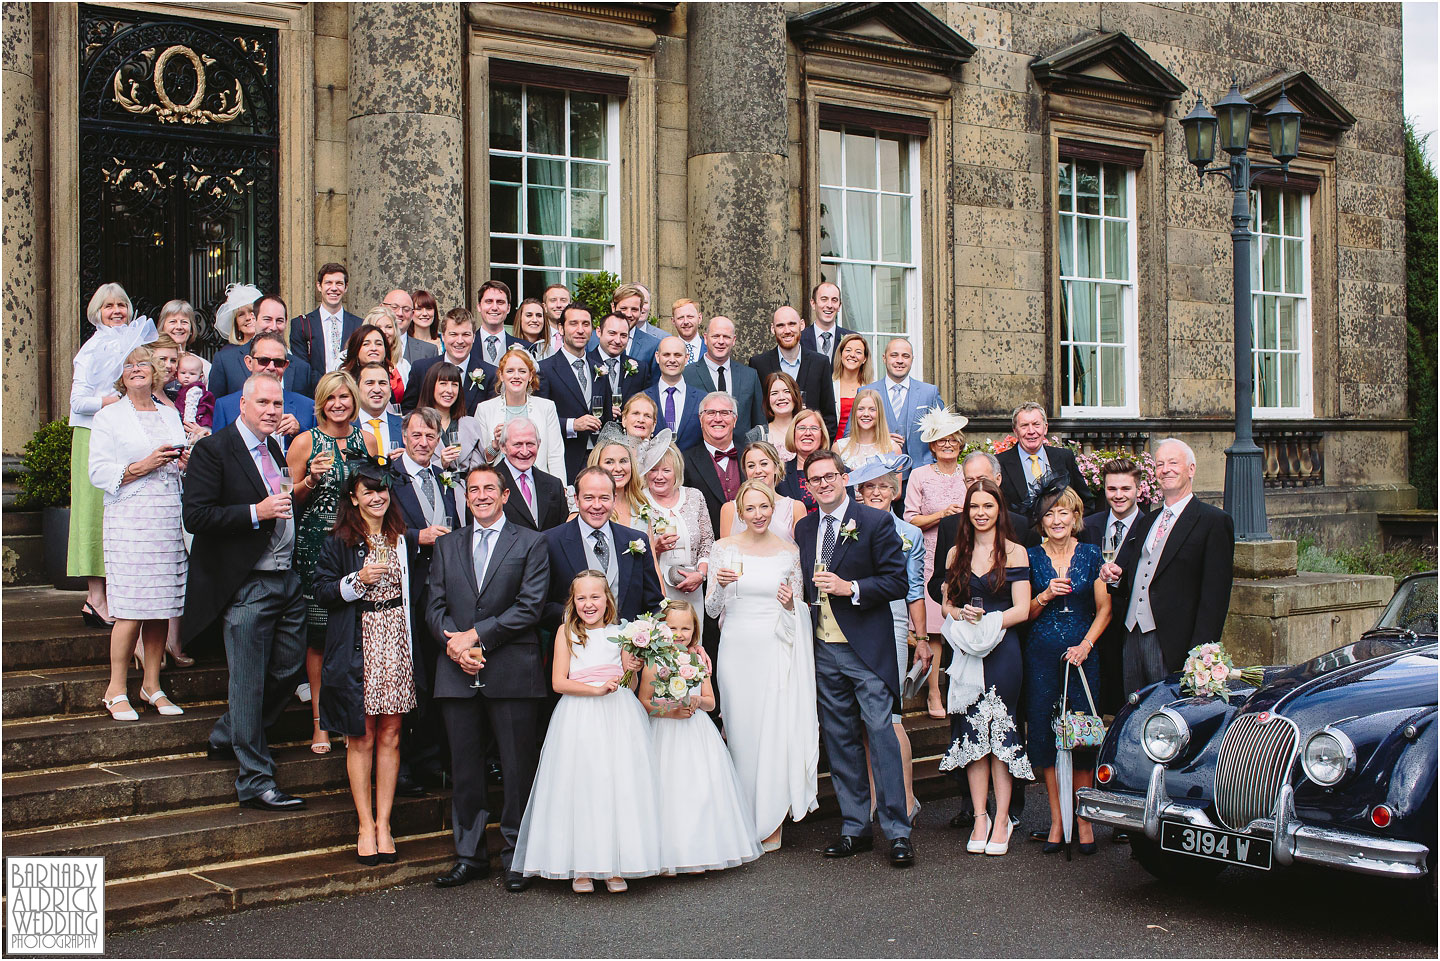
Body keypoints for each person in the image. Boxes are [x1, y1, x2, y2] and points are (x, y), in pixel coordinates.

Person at [181, 375, 308, 811]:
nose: (272, 410)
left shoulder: (276, 447)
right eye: (263, 402)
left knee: (289, 670)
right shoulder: (214, 450)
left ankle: (226, 733)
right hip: (246, 581)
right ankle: (254, 780)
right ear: (242, 404)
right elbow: (197, 516)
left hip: (287, 579)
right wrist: (256, 511)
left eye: (277, 402)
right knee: (248, 682)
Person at [426, 464, 551, 892]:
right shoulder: (448, 546)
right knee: (464, 768)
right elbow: (433, 606)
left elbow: (530, 606)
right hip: (456, 671)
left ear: (504, 496)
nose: (480, 495)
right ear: (465, 497)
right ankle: (469, 855)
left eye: (488, 489)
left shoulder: (531, 542)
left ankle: (518, 855)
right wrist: (457, 647)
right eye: (472, 489)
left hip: (512, 669)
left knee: (517, 768)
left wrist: (477, 636)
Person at [794, 451, 914, 867]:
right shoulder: (805, 527)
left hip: (865, 648)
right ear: (806, 486)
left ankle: (898, 830)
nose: (824, 484)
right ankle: (854, 827)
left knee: (881, 737)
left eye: (830, 476)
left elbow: (898, 580)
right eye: (815, 479)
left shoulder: (876, 522)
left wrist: (852, 588)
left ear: (845, 478)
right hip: (823, 649)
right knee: (840, 739)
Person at [511, 570, 661, 892]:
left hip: (618, 715)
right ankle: (581, 865)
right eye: (581, 598)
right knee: (582, 784)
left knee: (615, 784)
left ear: (607, 599)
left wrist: (631, 669)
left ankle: (614, 865)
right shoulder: (566, 632)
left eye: (595, 596)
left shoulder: (621, 634)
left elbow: (630, 684)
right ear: (573, 601)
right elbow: (558, 681)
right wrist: (594, 691)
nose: (588, 604)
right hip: (580, 714)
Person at [313, 461, 417, 864]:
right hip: (359, 640)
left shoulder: (400, 537)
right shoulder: (338, 540)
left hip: (396, 639)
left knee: (391, 733)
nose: (377, 497)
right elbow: (322, 591)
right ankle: (364, 824)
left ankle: (385, 823)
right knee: (363, 735)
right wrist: (357, 581)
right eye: (367, 491)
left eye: (382, 490)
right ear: (353, 497)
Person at [707, 480, 817, 850]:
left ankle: (771, 820)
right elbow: (710, 609)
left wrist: (789, 604)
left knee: (771, 730)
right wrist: (720, 586)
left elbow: (798, 604)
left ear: (773, 509)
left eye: (764, 507)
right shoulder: (722, 550)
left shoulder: (789, 551)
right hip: (736, 648)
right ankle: (741, 817)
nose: (757, 514)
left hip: (773, 647)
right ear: (740, 513)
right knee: (740, 730)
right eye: (750, 509)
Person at [89, 346, 189, 721]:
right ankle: (116, 688)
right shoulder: (108, 417)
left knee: (161, 606)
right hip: (130, 518)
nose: (136, 370)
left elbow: (176, 461)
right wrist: (143, 465)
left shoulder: (169, 413)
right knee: (130, 608)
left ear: (155, 372)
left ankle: (152, 685)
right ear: (121, 374)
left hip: (166, 516)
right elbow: (98, 472)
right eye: (129, 366)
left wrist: (183, 461)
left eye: (142, 364)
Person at [936, 477, 1033, 857]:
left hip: (1003, 650)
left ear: (999, 509)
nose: (980, 513)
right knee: (972, 738)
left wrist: (989, 623)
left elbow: (1022, 608)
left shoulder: (1016, 552)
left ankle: (1004, 816)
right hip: (965, 653)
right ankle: (980, 816)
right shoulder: (954, 554)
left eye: (987, 506)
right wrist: (961, 614)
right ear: (967, 510)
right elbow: (945, 606)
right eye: (974, 506)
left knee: (999, 738)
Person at [1100, 438, 1235, 693]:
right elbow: (1139, 575)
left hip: (1173, 642)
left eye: (1173, 463)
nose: (1165, 469)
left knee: (1168, 715)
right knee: (1133, 712)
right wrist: (1117, 577)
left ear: (1191, 469)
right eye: (1160, 464)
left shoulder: (1213, 521)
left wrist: (1200, 654)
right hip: (1131, 635)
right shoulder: (1146, 521)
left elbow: (1215, 598)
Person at [286, 370, 374, 754]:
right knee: (320, 638)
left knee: (355, 633)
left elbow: (373, 492)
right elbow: (289, 501)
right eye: (331, 398)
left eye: (345, 397)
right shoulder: (305, 442)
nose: (339, 404)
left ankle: (353, 717)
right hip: (315, 548)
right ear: (320, 402)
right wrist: (309, 479)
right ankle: (320, 723)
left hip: (354, 544)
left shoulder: (367, 440)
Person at [643, 601, 762, 874]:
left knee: (698, 790)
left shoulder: (696, 659)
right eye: (672, 627)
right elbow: (645, 702)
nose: (679, 633)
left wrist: (697, 699)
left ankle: (699, 851)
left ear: (695, 630)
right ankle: (667, 854)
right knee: (668, 790)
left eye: (686, 628)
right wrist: (669, 711)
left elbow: (711, 702)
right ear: (661, 628)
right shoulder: (655, 661)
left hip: (697, 734)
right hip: (665, 731)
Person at [1025, 484, 1111, 855]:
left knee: (1082, 737)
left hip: (1081, 655)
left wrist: (1086, 645)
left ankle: (1084, 819)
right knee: (1044, 737)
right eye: (1049, 514)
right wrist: (1044, 595)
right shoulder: (1028, 557)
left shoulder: (1092, 555)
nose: (1057, 520)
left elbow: (1104, 609)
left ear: (1075, 517)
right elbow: (1022, 614)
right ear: (1041, 522)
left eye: (1063, 513)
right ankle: (1057, 820)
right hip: (1041, 656)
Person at [70, 284, 156, 627]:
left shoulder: (133, 343)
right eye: (109, 306)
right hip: (92, 436)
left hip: (123, 433)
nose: (117, 310)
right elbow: (77, 402)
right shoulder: (92, 349)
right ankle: (95, 597)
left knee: (119, 512)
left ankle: (118, 594)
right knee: (94, 514)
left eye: (122, 304)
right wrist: (112, 401)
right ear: (97, 312)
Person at [850, 456, 931, 819]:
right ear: (860, 492)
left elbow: (914, 589)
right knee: (865, 719)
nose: (877, 492)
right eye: (870, 486)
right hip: (853, 619)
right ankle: (873, 800)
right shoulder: (847, 527)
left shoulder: (909, 534)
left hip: (893, 619)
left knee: (891, 716)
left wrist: (923, 636)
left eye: (884, 485)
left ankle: (907, 796)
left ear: (895, 491)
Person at [388, 408, 460, 793]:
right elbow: (377, 529)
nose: (423, 442)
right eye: (416, 435)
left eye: (430, 436)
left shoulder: (446, 478)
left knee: (437, 677)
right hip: (405, 591)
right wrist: (418, 537)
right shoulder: (390, 478)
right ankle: (401, 764)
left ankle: (432, 759)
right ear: (404, 436)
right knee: (408, 679)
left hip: (444, 592)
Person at [902, 406, 971, 718]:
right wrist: (941, 515)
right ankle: (933, 694)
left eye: (952, 439)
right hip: (930, 557)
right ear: (931, 445)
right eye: (941, 440)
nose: (947, 444)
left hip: (966, 557)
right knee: (934, 632)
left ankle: (965, 692)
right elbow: (910, 519)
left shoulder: (969, 475)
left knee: (963, 625)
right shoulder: (919, 475)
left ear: (960, 443)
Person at [542, 467, 663, 627]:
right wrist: (574, 616)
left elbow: (653, 602)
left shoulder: (636, 539)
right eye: (589, 498)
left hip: (627, 649)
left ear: (614, 498)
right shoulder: (550, 541)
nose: (597, 505)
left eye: (604, 498)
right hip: (574, 646)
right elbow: (541, 605)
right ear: (576, 499)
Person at [1080, 456, 1150, 717]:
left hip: (1130, 632)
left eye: (1125, 489)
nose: (1118, 495)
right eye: (1112, 489)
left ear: (1138, 490)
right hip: (1093, 631)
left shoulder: (1150, 526)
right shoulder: (1088, 526)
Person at [849, 338, 942, 481]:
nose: (900, 360)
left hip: (922, 476)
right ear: (884, 358)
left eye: (905, 356)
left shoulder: (929, 392)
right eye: (894, 355)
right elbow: (850, 435)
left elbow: (943, 434)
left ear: (912, 359)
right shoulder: (866, 391)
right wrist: (878, 439)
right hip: (879, 478)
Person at [534, 303, 607, 483]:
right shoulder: (545, 369)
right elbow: (538, 419)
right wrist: (572, 425)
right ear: (561, 328)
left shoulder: (600, 369)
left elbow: (606, 417)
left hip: (599, 459)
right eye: (573, 324)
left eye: (585, 324)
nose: (580, 330)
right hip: (565, 457)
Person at [472, 347, 566, 480]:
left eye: (522, 371)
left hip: (538, 482)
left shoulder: (547, 408)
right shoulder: (485, 409)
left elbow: (555, 455)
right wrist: (495, 445)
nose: (516, 376)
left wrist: (560, 490)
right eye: (510, 371)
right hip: (499, 483)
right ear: (501, 375)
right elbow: (479, 460)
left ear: (530, 376)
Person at [210, 332, 318, 449]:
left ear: (285, 366)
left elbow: (320, 453)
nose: (271, 367)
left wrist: (299, 431)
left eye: (278, 362)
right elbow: (218, 454)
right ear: (249, 362)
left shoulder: (307, 407)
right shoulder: (225, 406)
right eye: (263, 360)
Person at [641, 443, 712, 611]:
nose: (659, 476)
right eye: (653, 470)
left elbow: (708, 541)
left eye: (666, 470)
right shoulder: (638, 501)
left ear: (677, 472)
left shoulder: (695, 496)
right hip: (654, 590)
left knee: (691, 635)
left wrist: (700, 575)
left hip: (692, 589)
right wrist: (655, 548)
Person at [749, 306, 838, 439]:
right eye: (781, 326)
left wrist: (818, 449)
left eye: (792, 324)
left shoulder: (820, 363)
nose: (787, 331)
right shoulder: (758, 364)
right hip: (771, 450)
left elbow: (829, 416)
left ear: (802, 325)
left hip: (811, 450)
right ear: (773, 329)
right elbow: (756, 413)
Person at [996, 402, 1095, 515]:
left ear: (1045, 428)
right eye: (1024, 426)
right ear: (1015, 431)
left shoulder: (1064, 457)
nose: (1031, 431)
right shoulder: (1000, 463)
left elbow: (1086, 503)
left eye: (1036, 424)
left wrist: (1072, 526)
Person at [211, 292, 316, 398]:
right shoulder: (225, 361)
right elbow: (216, 409)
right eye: (267, 319)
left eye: (279, 321)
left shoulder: (302, 368)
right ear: (254, 319)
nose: (273, 327)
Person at [403, 307, 498, 415]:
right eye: (454, 334)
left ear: (474, 337)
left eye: (466, 334)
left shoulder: (490, 374)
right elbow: (408, 411)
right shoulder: (421, 369)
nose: (460, 341)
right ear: (443, 336)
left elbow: (491, 416)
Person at [683, 316, 764, 434]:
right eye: (715, 336)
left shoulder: (750, 376)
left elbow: (759, 424)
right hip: (700, 449)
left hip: (742, 450)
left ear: (734, 340)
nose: (720, 341)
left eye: (726, 337)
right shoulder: (687, 375)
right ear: (705, 338)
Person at [680, 391, 743, 536]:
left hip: (750, 545)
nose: (718, 418)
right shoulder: (685, 461)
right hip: (706, 549)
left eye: (725, 413)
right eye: (711, 413)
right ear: (700, 419)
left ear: (735, 420)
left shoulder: (750, 455)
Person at [719, 441, 805, 541]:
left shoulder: (795, 508)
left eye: (764, 464)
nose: (758, 470)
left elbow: (802, 550)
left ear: (776, 467)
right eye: (751, 466)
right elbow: (724, 552)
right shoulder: (730, 509)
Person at [494, 417, 567, 532]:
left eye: (530, 444)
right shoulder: (489, 483)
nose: (524, 451)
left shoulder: (554, 484)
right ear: (503, 447)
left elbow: (562, 532)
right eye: (517, 445)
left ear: (539, 444)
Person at [291, 262, 364, 374]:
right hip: (314, 390)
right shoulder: (301, 324)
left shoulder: (359, 325)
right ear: (319, 286)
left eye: (339, 283)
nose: (334, 288)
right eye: (328, 283)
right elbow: (301, 368)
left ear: (346, 287)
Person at [414, 361, 479, 468]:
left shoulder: (471, 424)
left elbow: (479, 467)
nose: (449, 390)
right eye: (443, 383)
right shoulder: (416, 423)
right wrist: (440, 464)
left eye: (454, 385)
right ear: (431, 386)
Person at [646, 336, 702, 450]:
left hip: (690, 466)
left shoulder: (702, 399)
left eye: (678, 355)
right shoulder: (643, 399)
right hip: (655, 467)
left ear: (686, 358)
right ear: (657, 357)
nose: (672, 360)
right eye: (666, 355)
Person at [600, 282, 660, 378]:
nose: (628, 314)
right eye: (623, 308)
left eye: (634, 310)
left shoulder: (653, 345)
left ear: (641, 311)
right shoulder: (592, 340)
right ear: (613, 307)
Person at [835, 388, 899, 477]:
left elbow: (897, 490)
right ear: (854, 413)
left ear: (879, 413)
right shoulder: (839, 447)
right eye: (861, 409)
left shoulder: (892, 448)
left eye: (872, 409)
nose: (866, 414)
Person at [777, 408, 830, 513]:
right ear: (793, 434)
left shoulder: (838, 471)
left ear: (822, 435)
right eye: (801, 428)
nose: (808, 433)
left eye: (814, 428)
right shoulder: (780, 474)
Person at [594, 312, 655, 402]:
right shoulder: (586, 364)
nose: (618, 341)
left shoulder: (641, 370)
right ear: (599, 332)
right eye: (612, 333)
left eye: (623, 335)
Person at [341, 318, 403, 407]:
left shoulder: (388, 379)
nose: (374, 348)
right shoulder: (344, 383)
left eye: (379, 344)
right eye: (366, 344)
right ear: (356, 349)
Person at [586, 439, 647, 529]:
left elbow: (650, 542)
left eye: (623, 461)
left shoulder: (641, 504)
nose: (618, 468)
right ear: (596, 466)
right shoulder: (587, 507)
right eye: (609, 462)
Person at [355, 362, 404, 457]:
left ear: (390, 390)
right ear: (357, 389)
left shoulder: (404, 426)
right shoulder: (345, 426)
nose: (377, 389)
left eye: (382, 383)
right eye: (370, 383)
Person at [381, 289, 439, 366]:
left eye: (406, 309)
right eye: (394, 307)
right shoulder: (365, 343)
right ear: (381, 308)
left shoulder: (429, 351)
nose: (400, 313)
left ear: (412, 314)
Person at [801, 280, 855, 360]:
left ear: (839, 305)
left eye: (834, 300)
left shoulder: (852, 339)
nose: (829, 305)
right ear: (813, 304)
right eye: (824, 299)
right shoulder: (800, 338)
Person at [157, 299, 210, 381]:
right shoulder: (151, 361)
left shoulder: (203, 365)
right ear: (162, 327)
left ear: (191, 329)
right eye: (172, 322)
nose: (179, 327)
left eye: (184, 322)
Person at [831, 333, 871, 438]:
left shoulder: (872, 388)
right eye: (848, 350)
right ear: (841, 354)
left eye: (858, 352)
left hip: (862, 447)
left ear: (865, 359)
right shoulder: (829, 385)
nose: (852, 355)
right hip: (832, 448)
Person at [476, 279, 524, 367]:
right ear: (479, 306)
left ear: (508, 308)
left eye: (500, 302)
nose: (494, 307)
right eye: (489, 301)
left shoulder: (524, 348)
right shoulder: (466, 345)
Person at [366, 306, 412, 396]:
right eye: (377, 327)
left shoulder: (403, 365)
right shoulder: (347, 359)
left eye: (389, 327)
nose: (384, 332)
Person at [760, 372, 803, 464]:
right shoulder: (757, 434)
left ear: (795, 395)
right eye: (774, 393)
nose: (781, 397)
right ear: (767, 400)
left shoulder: (808, 430)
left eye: (787, 392)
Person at [175, 353, 215, 440]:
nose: (187, 376)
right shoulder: (184, 388)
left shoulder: (194, 390)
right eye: (183, 373)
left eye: (192, 374)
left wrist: (188, 424)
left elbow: (191, 407)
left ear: (200, 376)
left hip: (198, 423)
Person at [670, 298, 705, 364]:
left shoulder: (711, 349)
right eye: (680, 318)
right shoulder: (667, 350)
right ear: (673, 321)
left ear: (699, 318)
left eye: (690, 317)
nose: (686, 322)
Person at [540, 284, 571, 356]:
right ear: (544, 307)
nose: (558, 305)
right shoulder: (537, 335)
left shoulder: (579, 335)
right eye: (553, 300)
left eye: (563, 300)